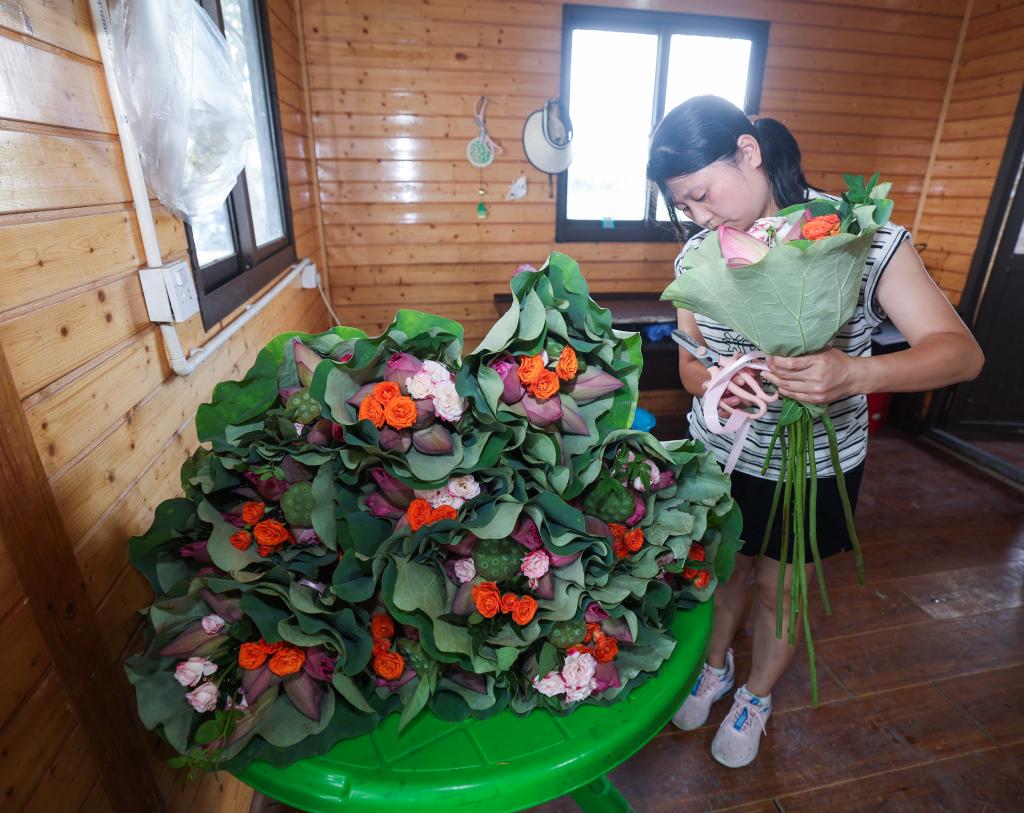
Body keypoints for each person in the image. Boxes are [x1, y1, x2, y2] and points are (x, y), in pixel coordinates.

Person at [646, 95, 984, 769]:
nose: (700, 218)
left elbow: (961, 354)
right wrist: (714, 383)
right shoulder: (698, 255)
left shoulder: (860, 236)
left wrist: (855, 373)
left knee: (782, 587)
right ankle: (713, 667)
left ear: (748, 152)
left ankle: (755, 695)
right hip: (724, 457)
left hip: (815, 467)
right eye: (684, 207)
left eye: (702, 196)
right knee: (725, 575)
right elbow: (689, 362)